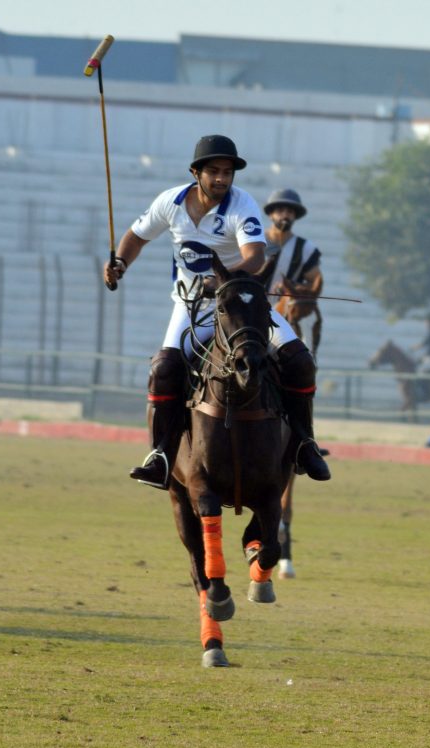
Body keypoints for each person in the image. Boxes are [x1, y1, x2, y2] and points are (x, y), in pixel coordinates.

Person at [103, 134, 331, 489]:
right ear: (196, 172)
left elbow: (255, 256)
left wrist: (223, 281)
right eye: (214, 171)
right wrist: (120, 262)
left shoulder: (242, 205)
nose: (222, 179)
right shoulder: (171, 202)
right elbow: (137, 235)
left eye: (228, 172)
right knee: (164, 368)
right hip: (191, 308)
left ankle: (304, 443)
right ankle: (161, 455)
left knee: (300, 360)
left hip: (241, 307)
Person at [261, 188, 324, 354]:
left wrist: (293, 288)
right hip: (251, 308)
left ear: (295, 216)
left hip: (287, 315)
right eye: (280, 211)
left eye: (290, 211)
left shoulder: (306, 249)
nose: (285, 215)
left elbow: (314, 282)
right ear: (271, 215)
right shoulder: (253, 241)